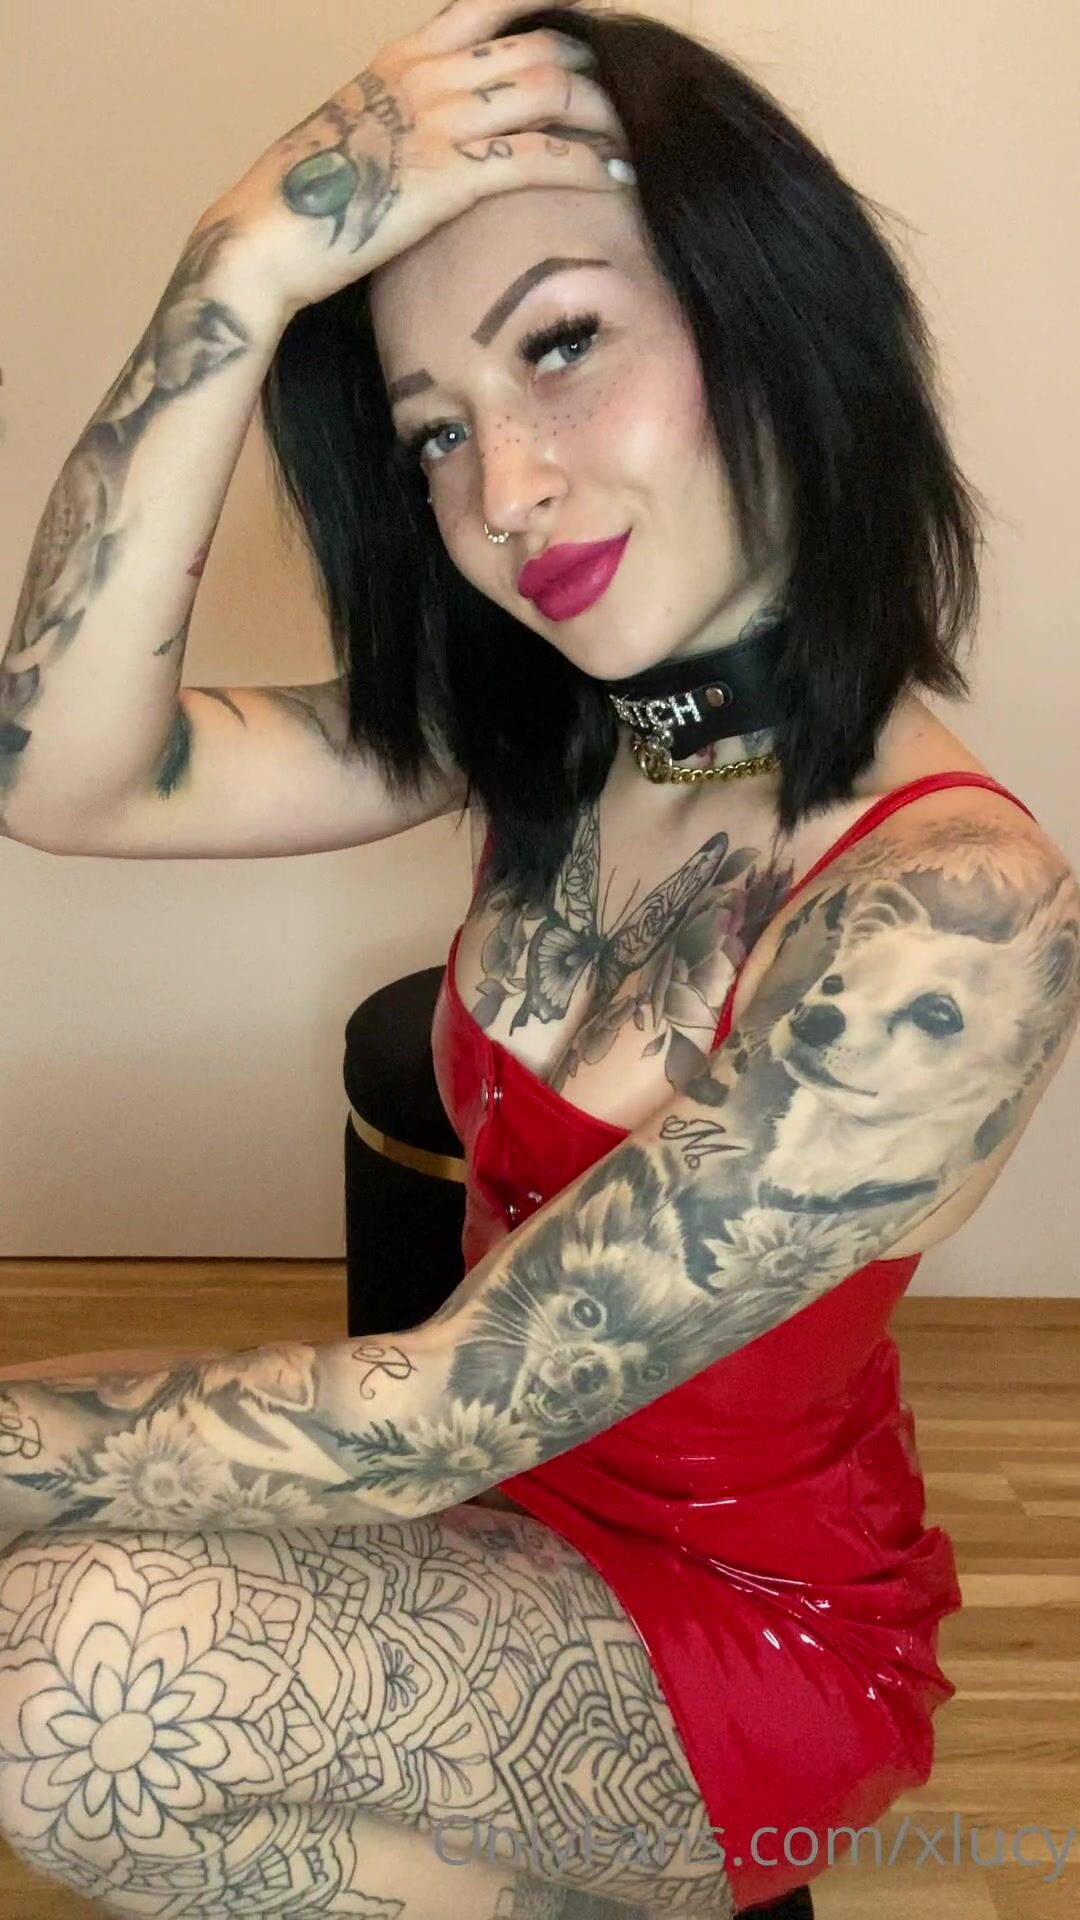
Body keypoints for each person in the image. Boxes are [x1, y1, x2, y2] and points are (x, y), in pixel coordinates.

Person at [0, 2, 1077, 1917]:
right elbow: (62, 773)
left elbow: (443, 1407)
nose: (502, 491)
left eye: (561, 344)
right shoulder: (570, 728)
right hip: (492, 1500)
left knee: (62, 1674)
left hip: (739, 1629)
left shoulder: (956, 921)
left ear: (767, 313)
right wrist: (234, 271)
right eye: (434, 431)